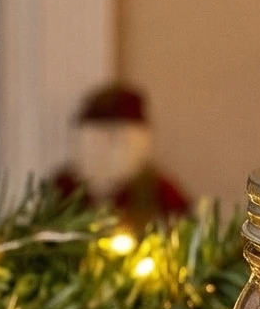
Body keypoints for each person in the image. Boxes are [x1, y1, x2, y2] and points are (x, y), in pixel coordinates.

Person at [52, 82, 188, 222]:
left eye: (117, 139)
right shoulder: (62, 189)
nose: (105, 150)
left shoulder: (159, 193)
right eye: (96, 139)